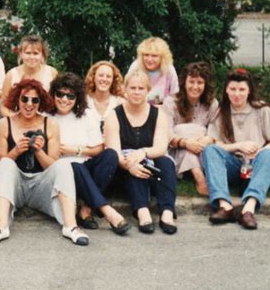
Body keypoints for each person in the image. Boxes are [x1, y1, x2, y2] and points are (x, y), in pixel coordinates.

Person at [0, 79, 89, 247]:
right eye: (24, 99)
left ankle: (71, 226)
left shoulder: (50, 124)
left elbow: (52, 165)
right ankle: (0, 227)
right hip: (16, 187)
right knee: (6, 164)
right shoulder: (5, 123)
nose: (29, 104)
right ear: (17, 99)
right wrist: (16, 151)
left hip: (41, 186)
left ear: (41, 102)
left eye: (35, 100)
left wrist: (39, 151)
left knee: (63, 165)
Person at [49, 73, 130, 235]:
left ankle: (86, 207)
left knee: (110, 155)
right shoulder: (46, 116)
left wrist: (75, 150)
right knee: (74, 166)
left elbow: (98, 148)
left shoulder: (87, 115)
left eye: (70, 96)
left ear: (77, 98)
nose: (64, 99)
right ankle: (107, 211)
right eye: (60, 94)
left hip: (87, 167)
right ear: (53, 94)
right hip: (62, 173)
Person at [105, 70, 178, 235]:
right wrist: (129, 164)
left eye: (141, 88)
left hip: (150, 162)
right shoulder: (114, 115)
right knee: (133, 163)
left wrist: (143, 152)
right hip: (122, 169)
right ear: (125, 89)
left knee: (165, 162)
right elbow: (113, 152)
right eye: (132, 88)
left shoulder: (158, 114)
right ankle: (142, 211)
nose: (136, 92)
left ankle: (167, 212)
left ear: (148, 90)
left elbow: (161, 147)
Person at [202, 68, 270, 230]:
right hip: (235, 164)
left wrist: (262, 151)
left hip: (258, 165)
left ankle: (248, 208)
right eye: (233, 89)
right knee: (210, 150)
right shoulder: (221, 112)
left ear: (249, 91)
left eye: (242, 89)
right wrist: (238, 146)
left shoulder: (262, 110)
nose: (237, 94)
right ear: (227, 90)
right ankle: (225, 206)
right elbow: (216, 143)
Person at [163, 62, 219, 195]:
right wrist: (186, 142)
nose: (195, 86)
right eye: (191, 82)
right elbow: (166, 132)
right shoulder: (171, 102)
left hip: (202, 150)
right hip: (176, 150)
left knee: (199, 132)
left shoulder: (212, 103)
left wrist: (207, 138)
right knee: (182, 130)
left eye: (200, 82)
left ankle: (197, 173)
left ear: (205, 85)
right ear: (184, 83)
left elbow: (215, 130)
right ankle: (199, 177)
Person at [0, 35, 58, 117]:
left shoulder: (52, 73)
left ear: (42, 55)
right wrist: (16, 119)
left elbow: (58, 102)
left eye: (35, 53)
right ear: (21, 54)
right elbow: (3, 107)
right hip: (19, 120)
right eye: (28, 53)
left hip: (46, 120)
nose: (31, 57)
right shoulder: (11, 75)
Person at [127, 37, 179, 105]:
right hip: (138, 108)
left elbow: (175, 94)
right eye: (146, 55)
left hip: (163, 109)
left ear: (162, 57)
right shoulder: (136, 66)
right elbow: (126, 90)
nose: (149, 59)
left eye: (154, 56)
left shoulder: (169, 69)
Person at [85, 61, 125, 134]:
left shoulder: (120, 103)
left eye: (108, 76)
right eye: (101, 75)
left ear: (113, 80)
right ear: (93, 77)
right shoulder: (84, 101)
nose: (104, 79)